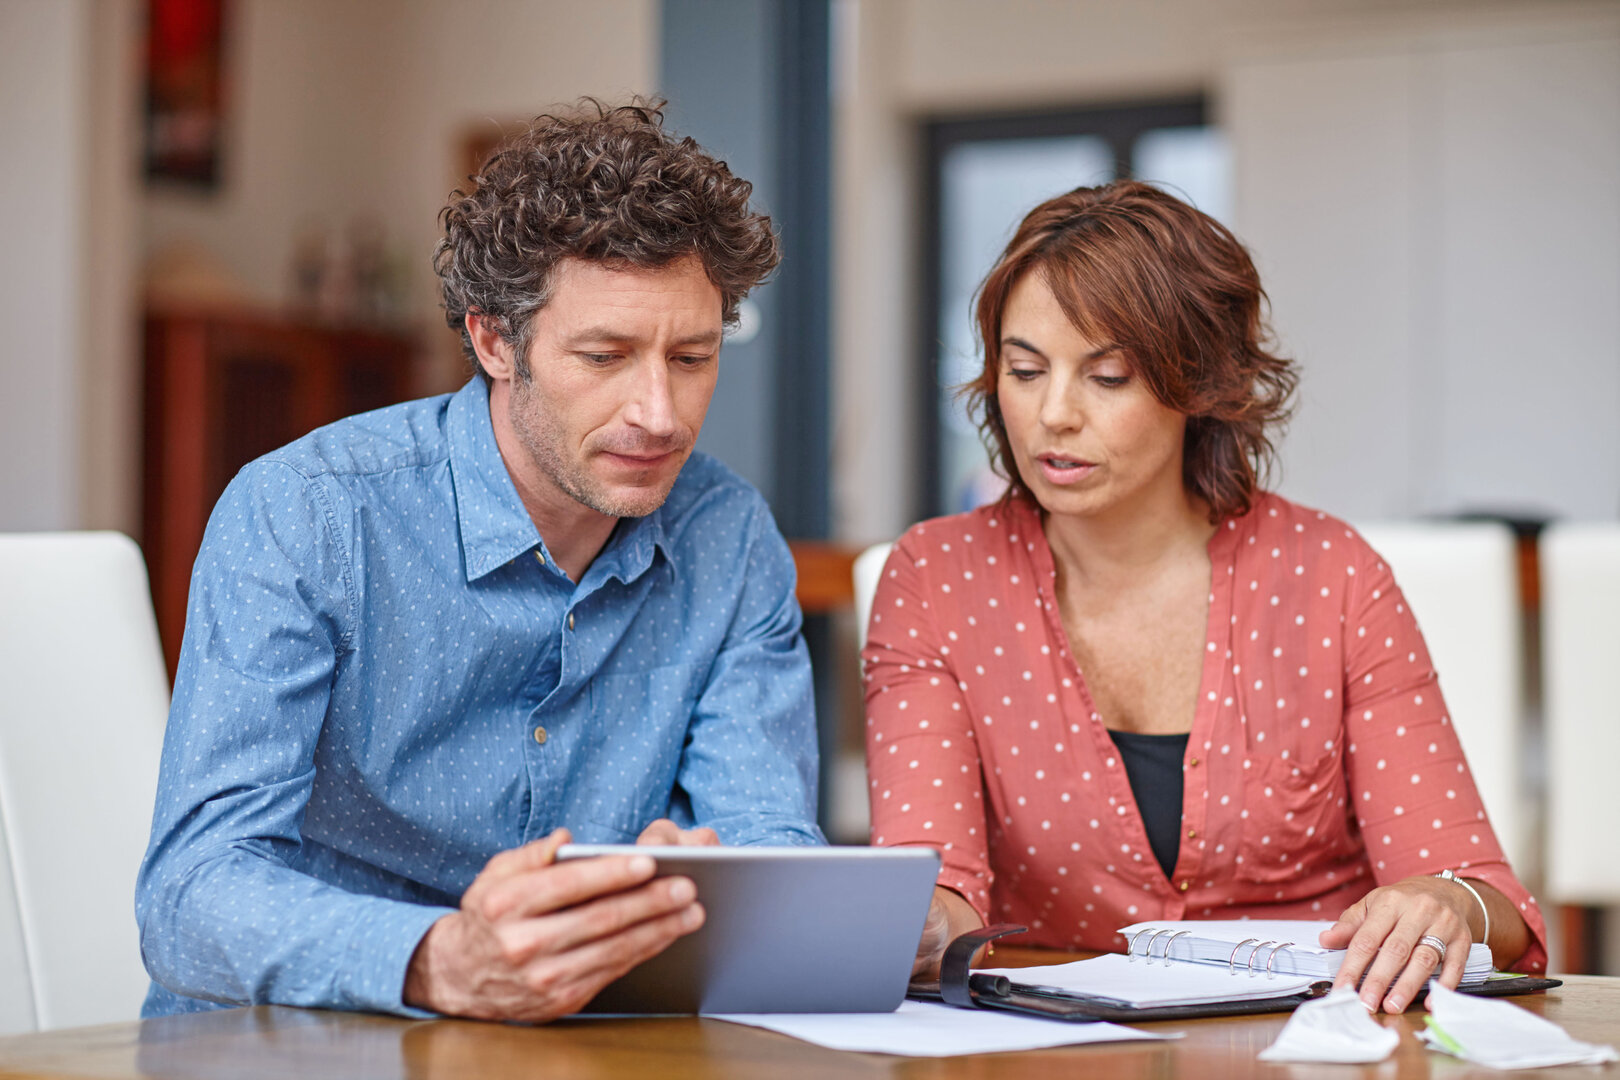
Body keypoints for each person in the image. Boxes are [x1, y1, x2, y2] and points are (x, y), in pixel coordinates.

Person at [136, 100, 823, 1023]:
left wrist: (714, 892)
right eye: (606, 355)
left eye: (692, 357)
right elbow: (190, 895)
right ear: (496, 341)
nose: (660, 413)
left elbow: (770, 850)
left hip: (581, 1047)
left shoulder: (729, 536)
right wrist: (438, 960)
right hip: (302, 1045)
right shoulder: (309, 513)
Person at [864, 180, 1546, 1015]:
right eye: (1024, 370)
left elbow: (1485, 893)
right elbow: (943, 886)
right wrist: (914, 922)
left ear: (1200, 383)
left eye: (1108, 376)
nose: (1052, 414)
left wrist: (1448, 905)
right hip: (1056, 1053)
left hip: (1319, 1042)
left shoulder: (1333, 577)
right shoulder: (938, 579)